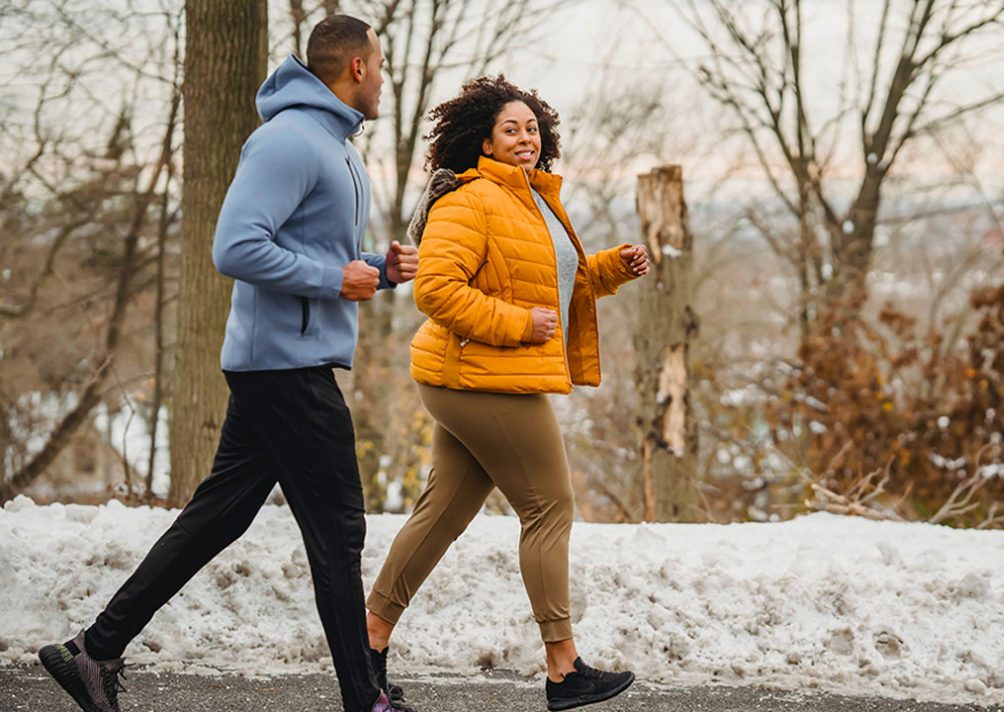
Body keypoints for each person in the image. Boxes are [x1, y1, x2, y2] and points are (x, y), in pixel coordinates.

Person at [36, 15, 416, 712]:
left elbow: (318, 253)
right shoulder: (286, 141)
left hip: (290, 358)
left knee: (221, 515)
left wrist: (377, 270)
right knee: (339, 529)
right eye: (382, 66)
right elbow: (236, 248)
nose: (385, 79)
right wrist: (337, 280)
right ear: (357, 68)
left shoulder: (333, 145)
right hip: (283, 365)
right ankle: (367, 701)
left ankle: (92, 651)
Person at [364, 76, 650, 712]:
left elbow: (551, 285)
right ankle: (563, 667)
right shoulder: (470, 200)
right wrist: (519, 325)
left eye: (531, 128)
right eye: (510, 130)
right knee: (550, 507)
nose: (525, 138)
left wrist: (612, 268)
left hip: (480, 376)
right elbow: (435, 290)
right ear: (483, 141)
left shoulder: (534, 202)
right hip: (484, 377)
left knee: (444, 512)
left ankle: (367, 641)